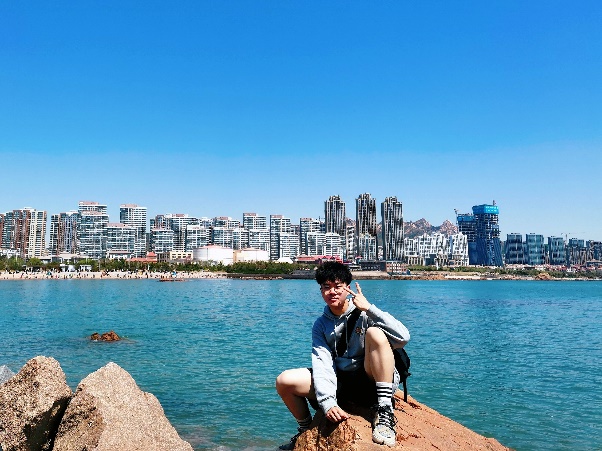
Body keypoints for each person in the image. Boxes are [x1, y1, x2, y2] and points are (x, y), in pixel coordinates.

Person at [276, 261, 410, 449]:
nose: (332, 291)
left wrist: (369, 308)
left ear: (348, 287)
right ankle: (306, 430)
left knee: (376, 333)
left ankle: (384, 410)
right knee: (284, 381)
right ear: (321, 290)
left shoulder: (365, 314)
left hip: (370, 379)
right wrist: (327, 402)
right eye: (326, 287)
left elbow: (403, 337)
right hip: (341, 383)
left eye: (338, 286)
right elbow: (322, 362)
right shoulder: (321, 325)